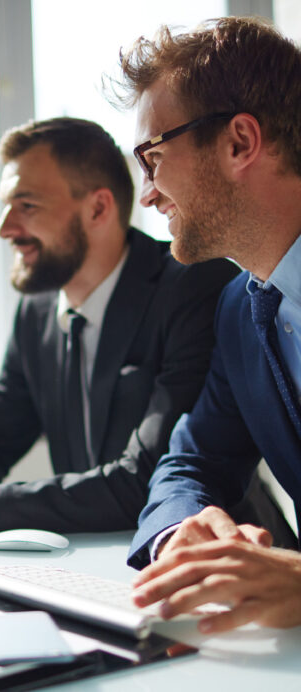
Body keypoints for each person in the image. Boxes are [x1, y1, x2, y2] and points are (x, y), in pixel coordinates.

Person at [0, 115, 248, 541]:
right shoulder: (37, 309)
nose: (5, 229)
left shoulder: (194, 287)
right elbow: (1, 421)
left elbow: (147, 479)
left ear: (98, 208)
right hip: (83, 557)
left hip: (209, 558)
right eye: (6, 206)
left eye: (27, 206)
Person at [113, 16, 301, 632]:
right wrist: (181, 533)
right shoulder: (242, 311)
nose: (147, 195)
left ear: (240, 142)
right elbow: (191, 463)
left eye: (154, 157)